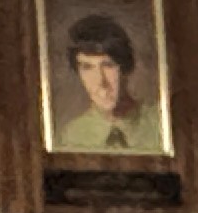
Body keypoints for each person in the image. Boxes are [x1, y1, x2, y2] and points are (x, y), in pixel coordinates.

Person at [52, 11, 167, 156]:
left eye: (108, 65)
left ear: (126, 68)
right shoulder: (71, 136)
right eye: (87, 68)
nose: (100, 81)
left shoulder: (161, 123)